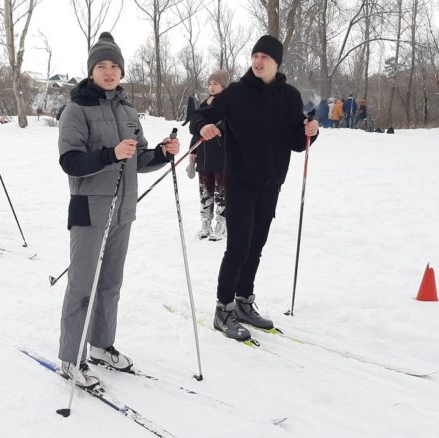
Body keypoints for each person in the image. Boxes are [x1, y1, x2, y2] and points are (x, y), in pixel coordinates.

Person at [57, 32, 179, 388]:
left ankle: (100, 346)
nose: (109, 72)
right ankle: (71, 357)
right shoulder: (76, 110)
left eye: (114, 66)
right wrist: (110, 154)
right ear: (91, 70)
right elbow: (70, 162)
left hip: (122, 209)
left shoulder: (127, 111)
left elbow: (137, 158)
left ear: (121, 71)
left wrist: (161, 152)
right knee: (82, 285)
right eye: (102, 66)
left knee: (111, 283)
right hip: (89, 210)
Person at [190, 35, 319, 341]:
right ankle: (224, 308)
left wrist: (310, 132)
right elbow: (199, 115)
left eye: (265, 57)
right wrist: (202, 126)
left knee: (256, 247)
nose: (258, 62)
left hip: (272, 182)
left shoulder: (289, 97)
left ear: (277, 62)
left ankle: (244, 300)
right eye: (255, 56)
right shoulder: (235, 93)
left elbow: (296, 142)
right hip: (241, 182)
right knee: (238, 247)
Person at [190, 70, 229, 241]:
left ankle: (222, 223)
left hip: (222, 158)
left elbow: (229, 123)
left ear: (224, 86)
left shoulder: (229, 103)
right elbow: (196, 129)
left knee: (221, 192)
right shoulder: (204, 104)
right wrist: (193, 150)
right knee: (205, 191)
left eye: (216, 83)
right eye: (210, 83)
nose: (212, 87)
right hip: (204, 157)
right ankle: (206, 223)